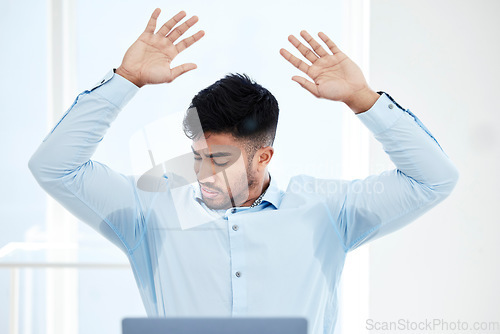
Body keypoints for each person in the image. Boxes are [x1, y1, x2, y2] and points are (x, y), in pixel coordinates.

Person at [28, 8, 459, 334]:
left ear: (263, 157)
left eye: (219, 161)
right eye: (197, 156)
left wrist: (363, 99)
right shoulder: (149, 211)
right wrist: (125, 80)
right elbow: (54, 167)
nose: (202, 173)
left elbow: (433, 179)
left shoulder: (328, 211)